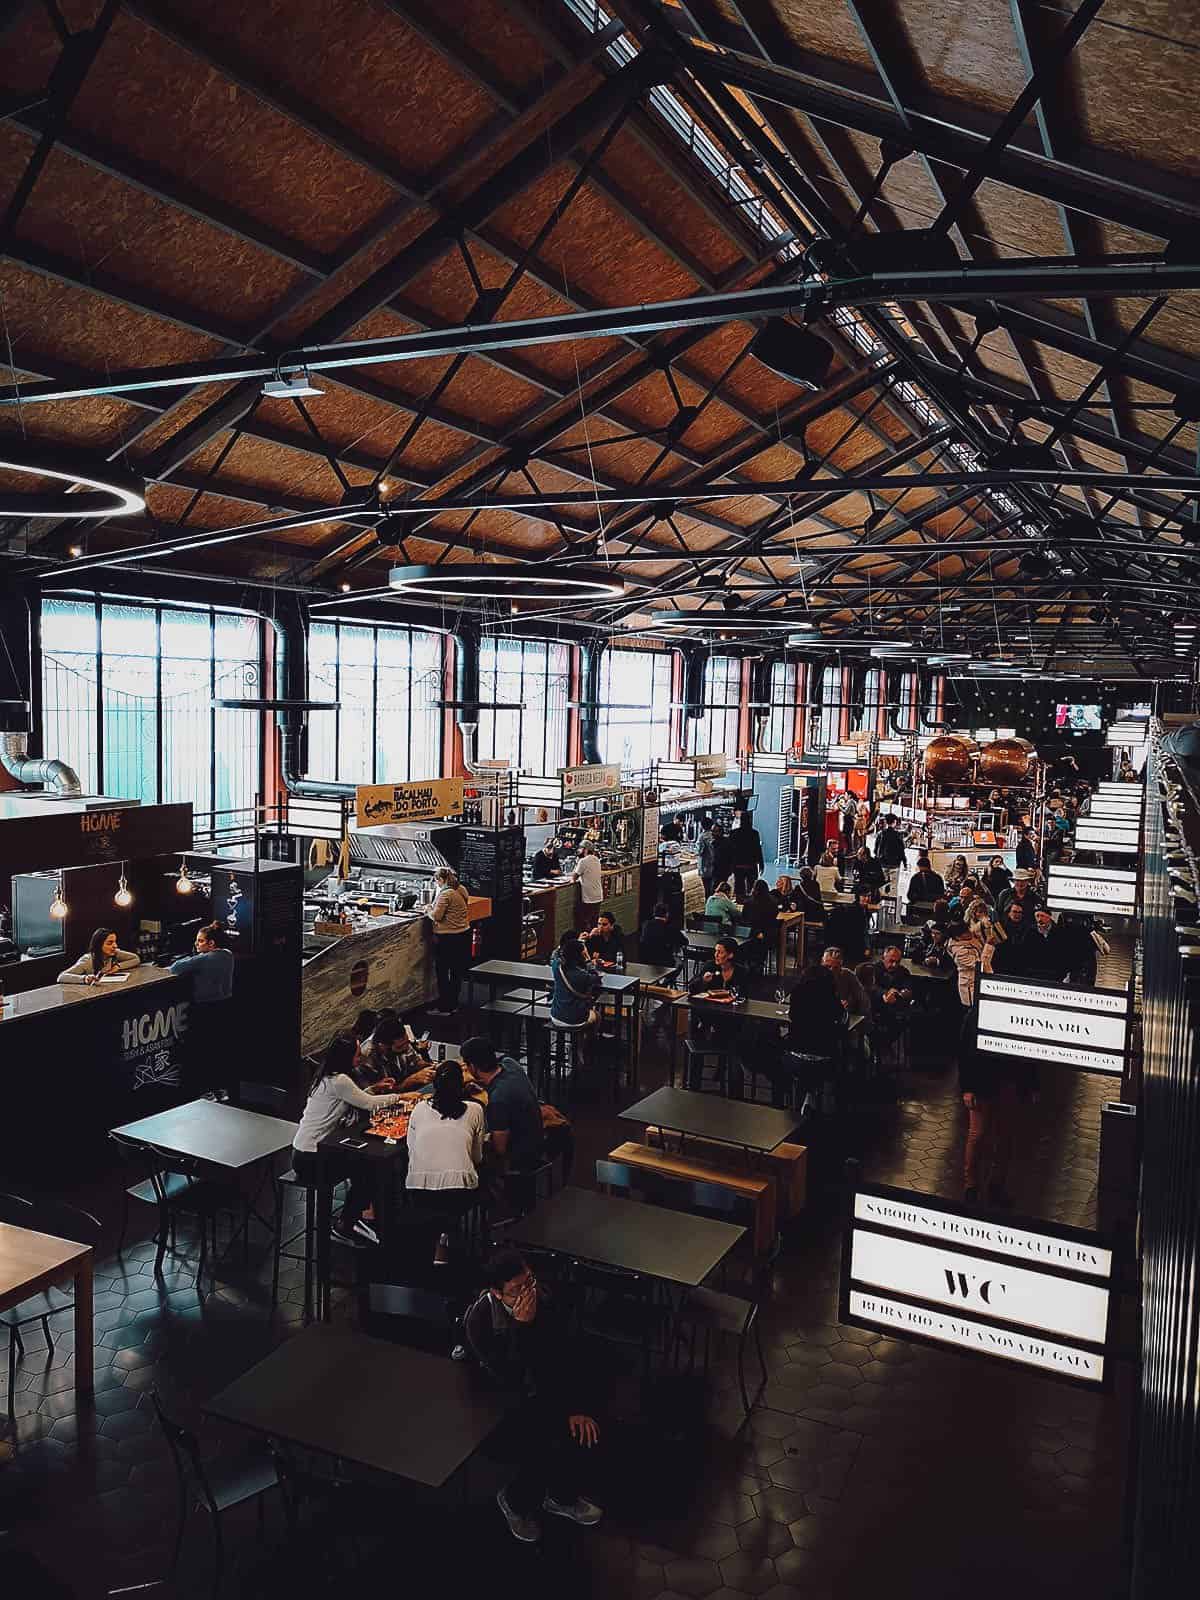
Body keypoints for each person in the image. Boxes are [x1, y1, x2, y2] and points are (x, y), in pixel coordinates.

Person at [463, 1250, 603, 1542]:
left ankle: (560, 1497)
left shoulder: (546, 1297)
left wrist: (574, 1406)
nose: (529, 1291)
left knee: (579, 1428)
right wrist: (522, 1328)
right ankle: (514, 1502)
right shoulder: (479, 1321)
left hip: (542, 1389)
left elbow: (564, 1355)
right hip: (498, 1401)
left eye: (529, 1281)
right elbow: (510, 1375)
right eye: (517, 1289)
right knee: (543, 1441)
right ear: (497, 1293)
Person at [292, 1035, 403, 1247]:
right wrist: (401, 1097)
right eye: (356, 1052)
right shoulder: (340, 1080)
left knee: (363, 1168)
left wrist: (375, 1088)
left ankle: (354, 1218)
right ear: (346, 1056)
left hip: (301, 1152)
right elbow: (369, 1104)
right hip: (313, 1158)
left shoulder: (326, 1077)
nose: (360, 1055)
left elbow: (354, 1097)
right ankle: (346, 1225)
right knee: (368, 1172)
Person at [405, 1059, 485, 1260]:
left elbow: (412, 1150)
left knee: (432, 1212)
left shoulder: (419, 1109)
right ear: (462, 1084)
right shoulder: (475, 1110)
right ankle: (446, 1240)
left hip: (419, 1188)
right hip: (459, 1191)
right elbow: (477, 1157)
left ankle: (434, 1243)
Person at [960, 1007, 1038, 1207]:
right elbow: (965, 1050)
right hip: (984, 1081)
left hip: (1007, 1080)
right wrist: (967, 1087)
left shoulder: (1017, 1011)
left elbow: (1028, 1050)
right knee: (978, 1135)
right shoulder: (976, 1013)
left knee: (1004, 1136)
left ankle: (995, 1184)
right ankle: (972, 1185)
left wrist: (1031, 1084)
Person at [461, 1036, 546, 1186]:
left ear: (473, 1067)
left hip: (523, 1155)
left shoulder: (498, 1100)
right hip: (537, 1135)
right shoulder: (510, 1064)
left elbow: (500, 1149)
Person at [170, 922, 236, 1098]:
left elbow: (175, 968)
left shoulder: (205, 959)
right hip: (225, 1007)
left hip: (205, 1009)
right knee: (219, 1050)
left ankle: (206, 1092)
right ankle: (221, 1089)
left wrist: (191, 957)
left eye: (200, 941)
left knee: (203, 1051)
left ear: (211, 943)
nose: (196, 944)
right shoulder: (228, 955)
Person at [427, 867, 471, 1016]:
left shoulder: (446, 894)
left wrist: (428, 909)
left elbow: (437, 916)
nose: (437, 884)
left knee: (442, 972)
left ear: (441, 880)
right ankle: (454, 1003)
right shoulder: (461, 889)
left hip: (447, 937)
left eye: (437, 881)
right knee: (456, 971)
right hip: (463, 934)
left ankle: (444, 1007)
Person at [548, 930, 602, 1040]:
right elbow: (597, 977)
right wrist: (588, 960)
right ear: (580, 955)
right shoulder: (582, 976)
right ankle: (587, 1046)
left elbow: (557, 953)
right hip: (574, 1020)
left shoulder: (556, 966)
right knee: (597, 1016)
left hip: (555, 1016)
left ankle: (577, 1046)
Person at [59, 927, 140, 986]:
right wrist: (84, 978)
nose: (115, 946)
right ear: (98, 945)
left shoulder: (114, 952)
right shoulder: (88, 960)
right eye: (109, 943)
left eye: (115, 942)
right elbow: (61, 977)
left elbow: (136, 959)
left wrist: (118, 966)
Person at [946, 918, 989, 1008]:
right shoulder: (959, 952)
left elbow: (977, 928)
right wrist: (989, 946)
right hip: (969, 985)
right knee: (973, 1011)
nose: (969, 932)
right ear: (958, 937)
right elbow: (980, 965)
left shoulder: (969, 938)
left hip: (979, 980)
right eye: (966, 932)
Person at [825, 890, 873, 964]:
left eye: (869, 896)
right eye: (864, 896)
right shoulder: (855, 911)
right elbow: (859, 934)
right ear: (858, 897)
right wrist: (867, 948)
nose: (867, 898)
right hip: (851, 946)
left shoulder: (864, 910)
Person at [820, 945, 868, 1016]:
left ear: (841, 966)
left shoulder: (848, 975)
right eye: (827, 966)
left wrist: (849, 1003)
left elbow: (863, 999)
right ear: (821, 962)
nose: (830, 971)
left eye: (835, 968)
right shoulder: (813, 976)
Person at [638, 902, 687, 969]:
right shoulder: (670, 928)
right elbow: (685, 942)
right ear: (667, 914)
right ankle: (668, 980)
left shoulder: (645, 925)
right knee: (680, 964)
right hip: (665, 962)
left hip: (646, 960)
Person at [990, 902, 1034, 974]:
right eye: (1014, 911)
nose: (1017, 914)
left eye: (1020, 912)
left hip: (1020, 967)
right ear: (1009, 913)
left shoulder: (1028, 929)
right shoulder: (1000, 927)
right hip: (1000, 965)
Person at [728, 812, 764, 901]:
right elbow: (758, 850)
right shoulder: (754, 833)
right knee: (752, 886)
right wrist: (761, 863)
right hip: (751, 865)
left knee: (739, 887)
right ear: (750, 820)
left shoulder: (734, 833)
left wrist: (730, 865)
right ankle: (752, 903)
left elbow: (730, 851)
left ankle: (740, 903)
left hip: (738, 865)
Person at [571, 844, 604, 931]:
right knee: (594, 923)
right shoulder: (596, 859)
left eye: (581, 848)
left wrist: (577, 863)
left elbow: (574, 877)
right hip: (598, 896)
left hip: (589, 898)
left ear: (585, 850)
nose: (579, 850)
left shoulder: (583, 861)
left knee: (585, 924)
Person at [697, 821, 721, 900]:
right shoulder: (715, 836)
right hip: (715, 865)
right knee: (714, 887)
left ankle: (708, 905)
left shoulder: (702, 837)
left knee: (707, 889)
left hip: (705, 866)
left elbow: (700, 851)